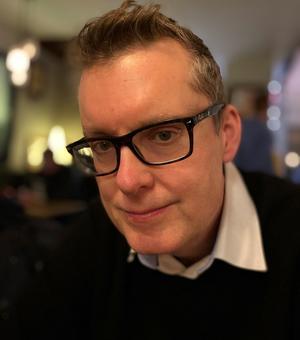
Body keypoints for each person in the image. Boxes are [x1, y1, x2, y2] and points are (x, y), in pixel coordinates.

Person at [2, 1, 300, 339]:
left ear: (226, 135)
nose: (127, 181)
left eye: (163, 135)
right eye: (102, 145)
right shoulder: (94, 240)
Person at [234, 92, 274, 174]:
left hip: (240, 174)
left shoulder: (242, 125)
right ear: (265, 109)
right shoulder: (263, 131)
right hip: (259, 177)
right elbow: (263, 161)